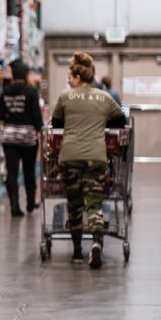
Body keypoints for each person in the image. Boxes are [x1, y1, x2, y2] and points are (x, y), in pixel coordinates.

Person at [51, 52, 128, 269]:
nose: (68, 80)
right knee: (94, 204)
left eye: (69, 76)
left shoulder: (66, 97)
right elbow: (121, 120)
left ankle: (77, 252)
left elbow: (56, 124)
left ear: (77, 76)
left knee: (75, 205)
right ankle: (96, 243)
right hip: (96, 156)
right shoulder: (104, 97)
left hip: (70, 156)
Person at [0, 59, 43, 217]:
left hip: (9, 137)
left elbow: (1, 115)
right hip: (28, 137)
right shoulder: (31, 92)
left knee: (12, 172)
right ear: (25, 74)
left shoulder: (5, 92)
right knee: (29, 170)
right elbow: (37, 116)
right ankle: (30, 203)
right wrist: (40, 130)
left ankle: (14, 205)